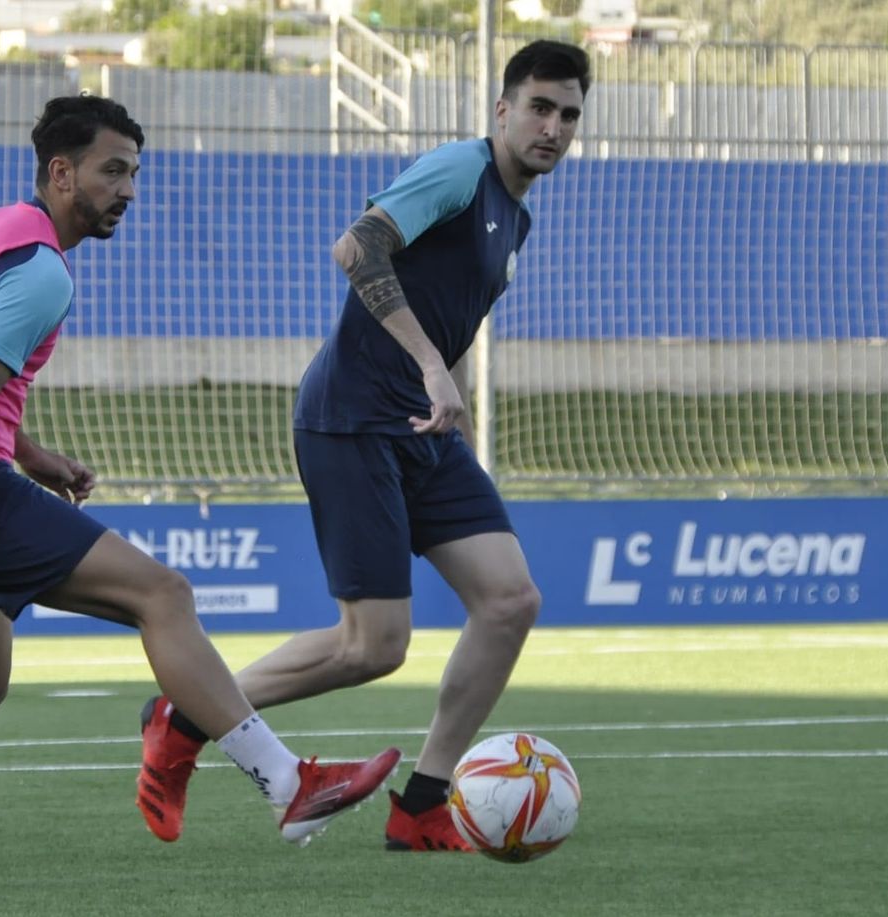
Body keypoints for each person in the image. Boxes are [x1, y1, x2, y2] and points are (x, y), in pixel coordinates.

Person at [0, 96, 400, 890]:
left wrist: (34, 454)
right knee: (163, 593)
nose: (128, 189)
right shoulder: (42, 269)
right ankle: (291, 785)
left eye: (134, 173)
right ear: (61, 171)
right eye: (113, 171)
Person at [133, 41, 590, 851]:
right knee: (372, 644)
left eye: (568, 115)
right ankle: (184, 713)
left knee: (511, 600)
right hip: (351, 418)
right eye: (539, 108)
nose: (552, 127)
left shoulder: (516, 218)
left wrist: (453, 408)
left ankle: (422, 805)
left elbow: (445, 320)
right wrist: (428, 367)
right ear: (503, 110)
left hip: (423, 431)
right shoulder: (461, 170)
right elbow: (357, 247)